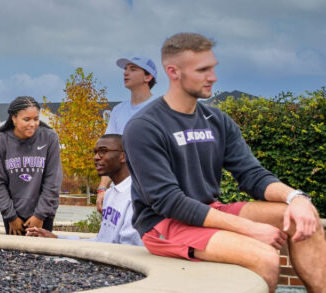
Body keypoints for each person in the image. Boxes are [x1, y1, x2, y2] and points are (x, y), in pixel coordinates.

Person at [124, 32, 325, 291]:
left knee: (304, 216)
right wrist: (250, 228)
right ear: (174, 72)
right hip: (163, 223)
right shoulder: (145, 126)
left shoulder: (217, 120)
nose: (213, 77)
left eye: (213, 68)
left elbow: (252, 174)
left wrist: (296, 198)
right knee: (264, 256)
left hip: (210, 209)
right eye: (203, 70)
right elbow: (167, 201)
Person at [26, 134, 142, 246]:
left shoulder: (136, 197)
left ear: (123, 156)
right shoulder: (110, 194)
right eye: (95, 152)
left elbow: (129, 248)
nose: (96, 157)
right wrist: (57, 239)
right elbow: (101, 241)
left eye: (103, 151)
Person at [0, 96, 62, 236]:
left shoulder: (49, 138)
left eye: (36, 119)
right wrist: (10, 216)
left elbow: (53, 180)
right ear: (14, 118)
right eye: (26, 119)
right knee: (16, 257)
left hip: (43, 215)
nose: (33, 124)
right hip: (13, 217)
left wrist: (40, 215)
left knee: (42, 255)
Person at [96, 56, 158, 212]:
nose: (126, 73)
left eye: (133, 69)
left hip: (152, 188)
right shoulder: (118, 111)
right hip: (122, 189)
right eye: (125, 69)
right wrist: (103, 188)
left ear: (148, 77)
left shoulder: (161, 109)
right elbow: (108, 153)